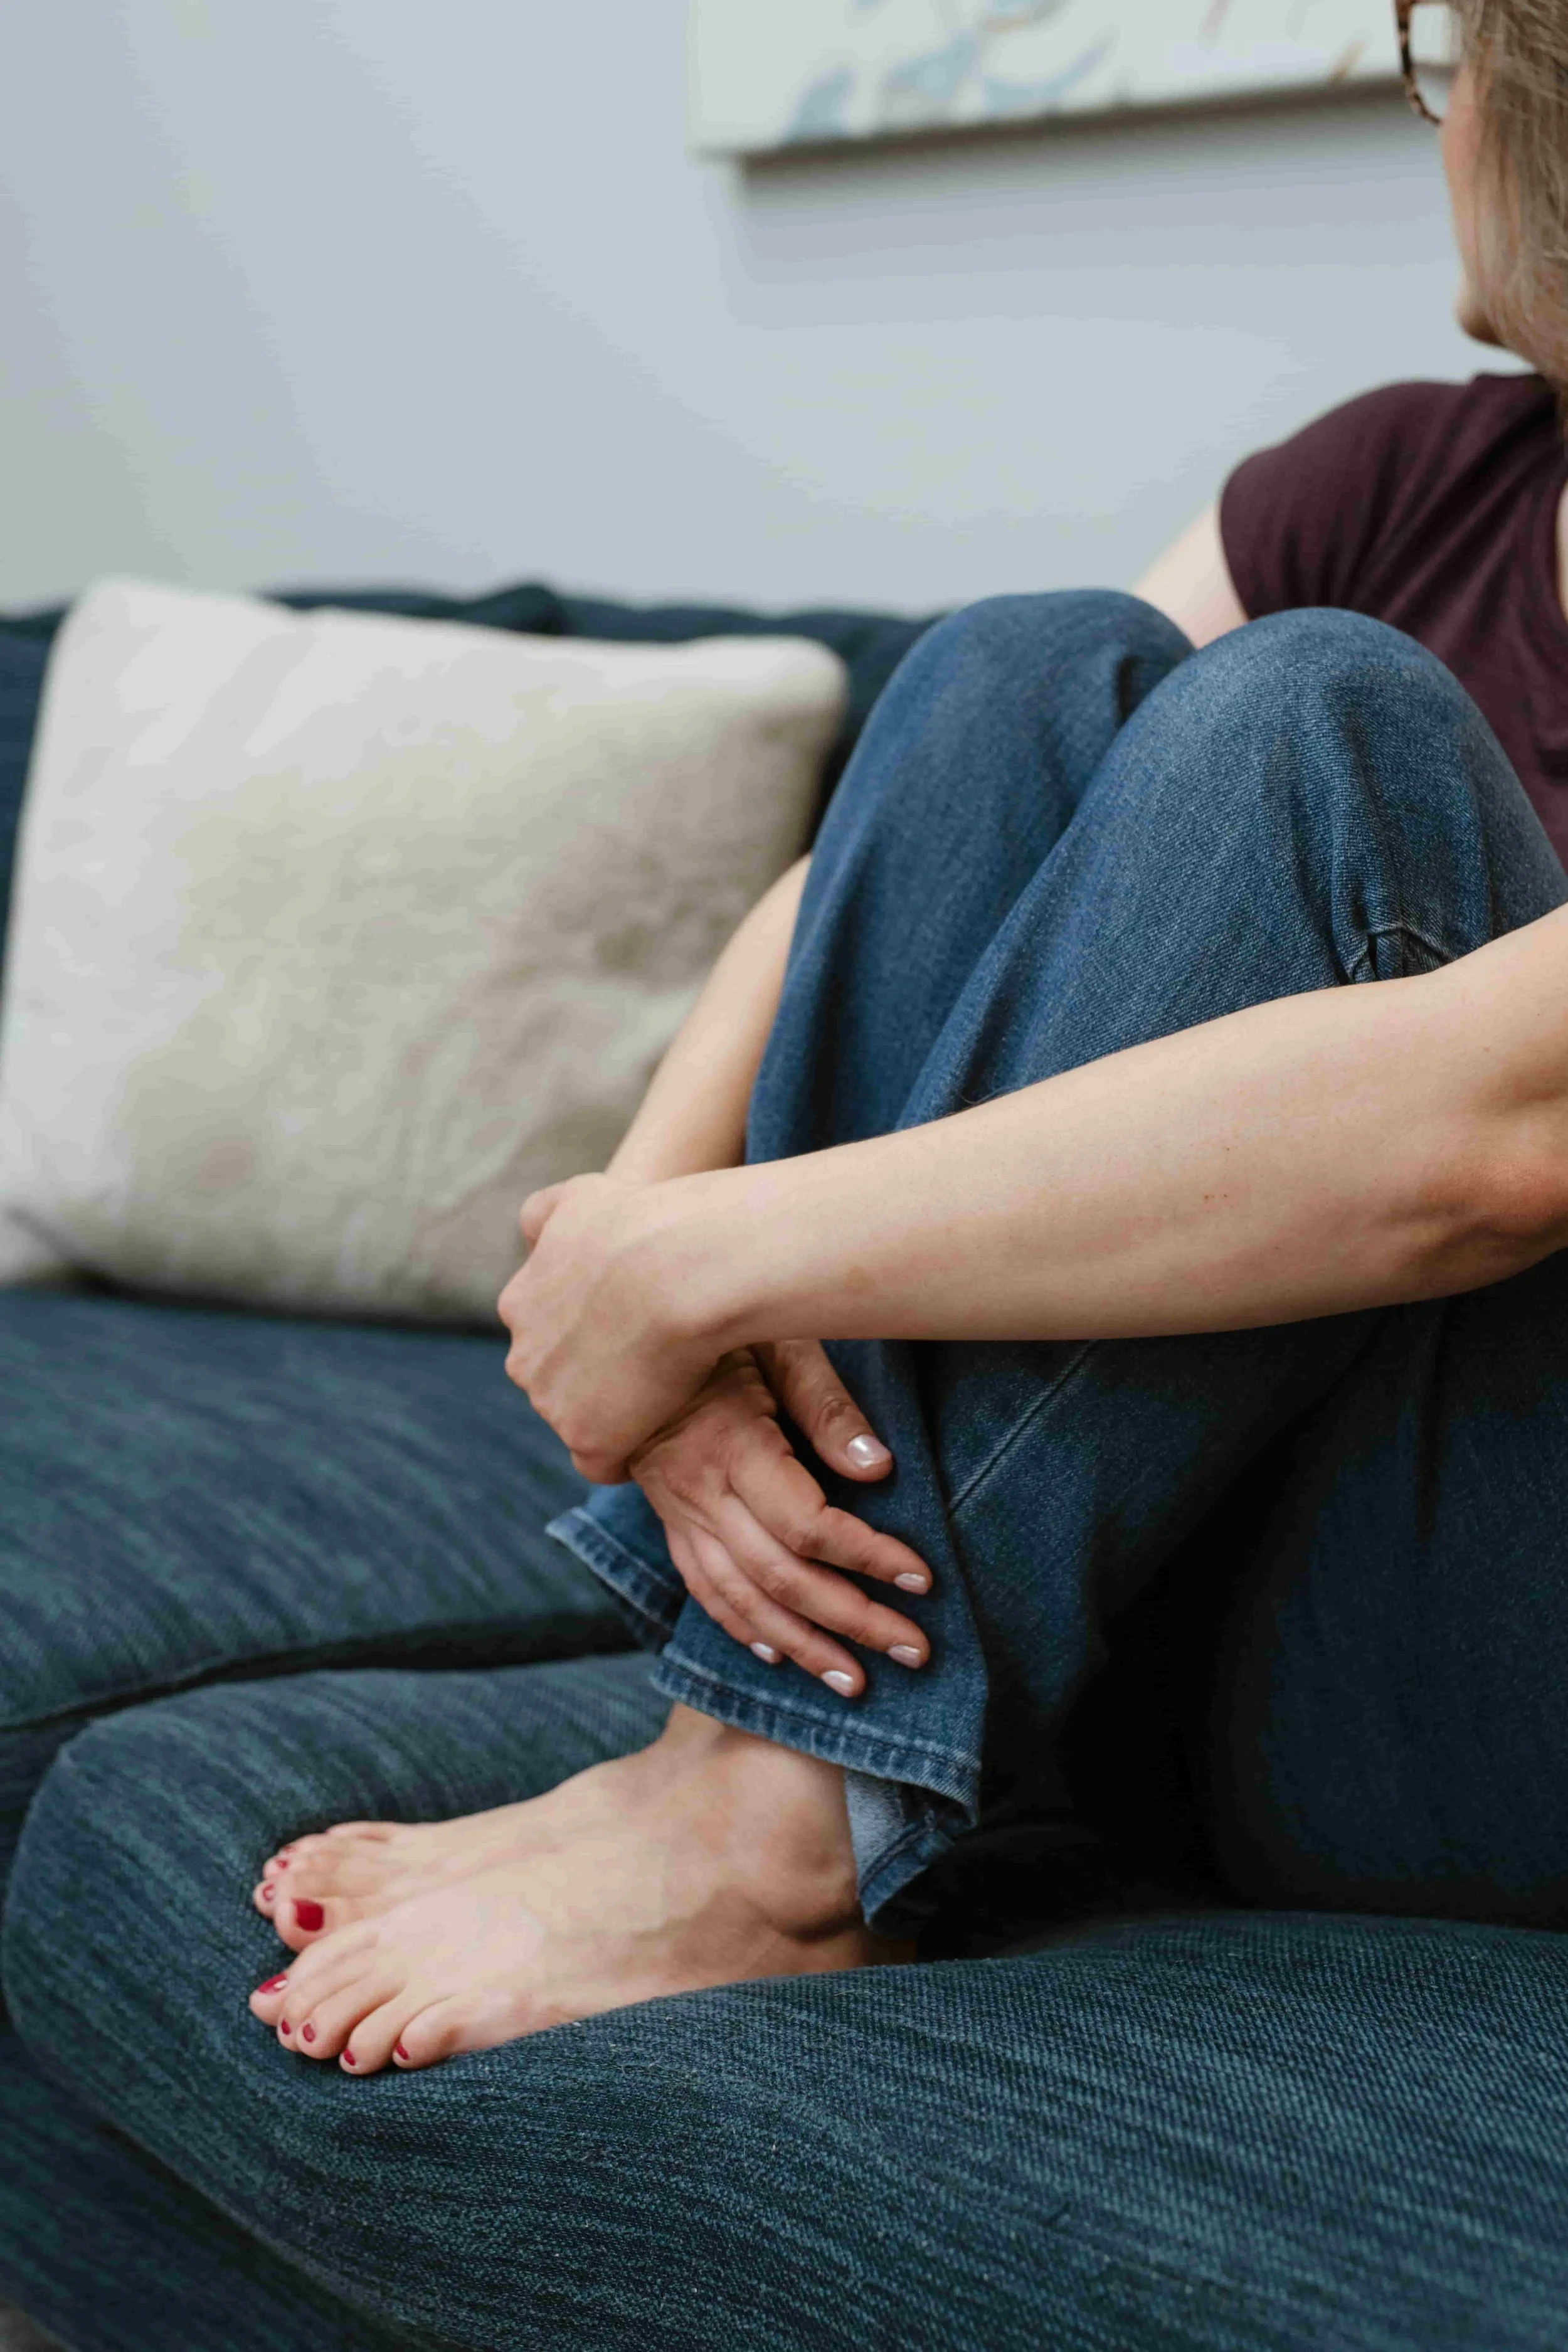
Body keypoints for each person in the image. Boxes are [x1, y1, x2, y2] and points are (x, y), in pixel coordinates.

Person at [246, 0, 1568, 2077]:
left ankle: (770, 1819)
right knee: (1021, 666)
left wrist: (732, 1260)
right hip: (1176, 1636)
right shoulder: (1409, 477)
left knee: (1319, 720)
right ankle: (752, 1742)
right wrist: (636, 1247)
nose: (1428, 121)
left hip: (1484, 1678)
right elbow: (900, 841)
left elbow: (1509, 1112)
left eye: (1441, 58)